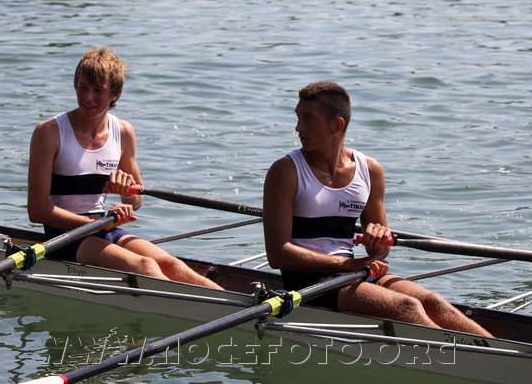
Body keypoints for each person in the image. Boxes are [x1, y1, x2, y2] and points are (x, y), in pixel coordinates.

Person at [263, 81, 491, 336]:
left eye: (308, 118)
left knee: (432, 301)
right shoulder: (285, 171)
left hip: (352, 271)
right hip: (307, 282)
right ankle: (476, 361)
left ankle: (499, 354)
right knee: (407, 305)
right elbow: (278, 255)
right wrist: (346, 265)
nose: (298, 127)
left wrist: (379, 239)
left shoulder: (369, 169)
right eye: (298, 117)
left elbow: (379, 252)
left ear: (336, 125)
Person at [27, 46, 221, 289]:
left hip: (101, 226)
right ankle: (212, 314)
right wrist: (90, 224)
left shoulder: (123, 132)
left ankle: (239, 311)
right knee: (145, 267)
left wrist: (126, 196)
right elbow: (36, 211)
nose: (88, 98)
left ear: (115, 94)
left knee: (173, 264)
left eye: (98, 91)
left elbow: (136, 200)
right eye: (83, 87)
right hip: (64, 236)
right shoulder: (49, 132)